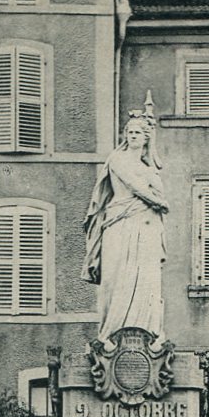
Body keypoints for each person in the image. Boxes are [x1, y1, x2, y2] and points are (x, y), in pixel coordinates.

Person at [81, 112, 169, 346]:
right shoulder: (117, 159)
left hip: (145, 225)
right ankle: (109, 334)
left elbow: (158, 188)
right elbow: (134, 185)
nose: (132, 136)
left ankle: (149, 336)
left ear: (147, 138)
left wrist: (155, 184)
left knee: (146, 279)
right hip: (119, 222)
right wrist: (157, 201)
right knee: (116, 277)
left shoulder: (148, 167)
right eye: (129, 132)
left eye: (137, 132)